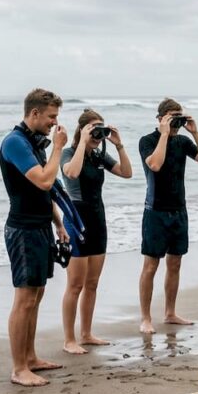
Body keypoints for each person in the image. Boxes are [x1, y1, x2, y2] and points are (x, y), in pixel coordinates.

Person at [0, 88, 72, 387]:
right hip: (23, 228)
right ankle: (18, 369)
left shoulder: (34, 143)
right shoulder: (15, 142)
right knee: (25, 298)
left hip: (40, 225)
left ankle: (30, 358)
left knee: (37, 295)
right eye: (51, 116)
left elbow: (48, 192)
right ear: (34, 113)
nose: (55, 122)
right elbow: (44, 180)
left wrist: (58, 223)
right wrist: (57, 148)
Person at [59, 108, 132, 354]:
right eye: (93, 129)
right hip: (76, 220)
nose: (98, 134)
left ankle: (87, 333)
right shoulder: (69, 153)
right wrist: (81, 141)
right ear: (82, 130)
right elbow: (72, 172)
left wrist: (119, 145)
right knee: (75, 284)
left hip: (98, 220)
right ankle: (69, 339)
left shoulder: (100, 156)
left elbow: (127, 173)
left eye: (101, 128)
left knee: (92, 283)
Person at [138, 98, 198, 334]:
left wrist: (195, 132)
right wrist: (163, 133)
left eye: (177, 117)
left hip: (179, 209)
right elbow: (155, 165)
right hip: (155, 210)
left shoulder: (182, 141)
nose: (175, 123)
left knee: (175, 263)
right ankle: (146, 317)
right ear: (160, 118)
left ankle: (170, 312)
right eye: (171, 117)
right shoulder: (147, 141)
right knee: (151, 265)